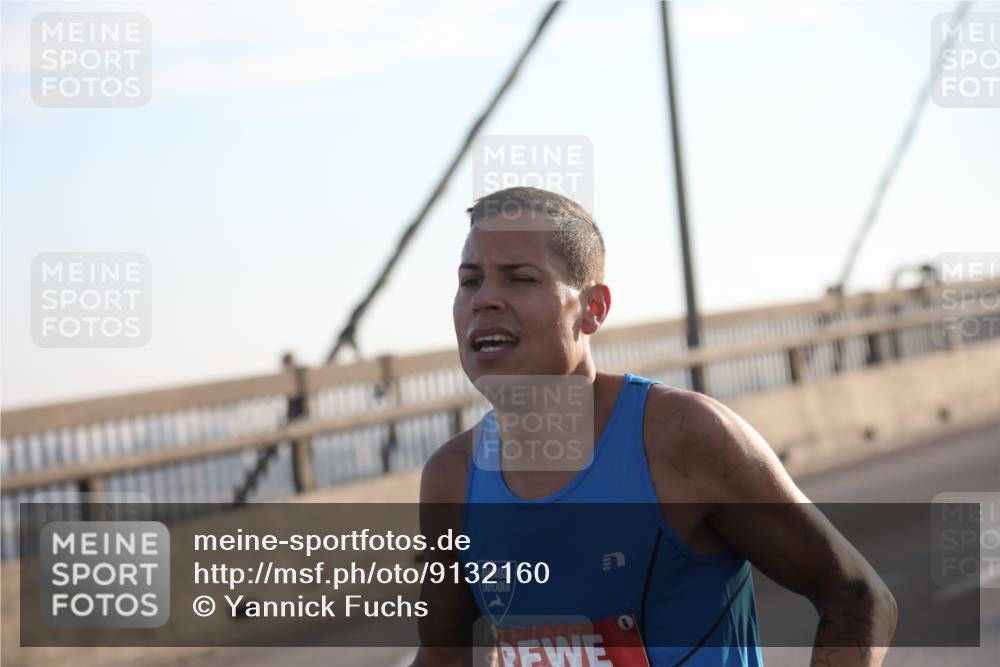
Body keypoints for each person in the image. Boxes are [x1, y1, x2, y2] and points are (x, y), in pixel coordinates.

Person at [412, 187, 897, 666]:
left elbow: (857, 596)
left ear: (592, 309)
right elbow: (443, 656)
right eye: (470, 280)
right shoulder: (452, 477)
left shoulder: (683, 437)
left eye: (518, 278)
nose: (484, 300)